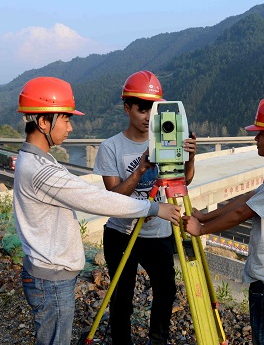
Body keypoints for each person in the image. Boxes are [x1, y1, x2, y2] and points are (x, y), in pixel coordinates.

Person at [13, 76, 181, 345]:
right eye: (66, 119)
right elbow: (98, 199)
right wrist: (152, 206)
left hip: (50, 273)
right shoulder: (41, 170)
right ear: (44, 122)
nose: (70, 126)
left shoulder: (37, 161)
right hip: (52, 277)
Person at [183, 95, 264, 345]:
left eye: (261, 133)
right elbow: (248, 199)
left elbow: (243, 213)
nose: (255, 138)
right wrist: (204, 216)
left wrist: (201, 229)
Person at [93, 70, 197, 345]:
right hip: (122, 233)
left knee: (166, 289)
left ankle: (158, 340)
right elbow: (113, 197)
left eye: (154, 107)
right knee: (122, 295)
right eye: (142, 107)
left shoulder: (166, 140)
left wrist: (190, 159)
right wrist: (139, 170)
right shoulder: (111, 147)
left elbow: (182, 182)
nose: (148, 115)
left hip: (158, 234)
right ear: (127, 107)